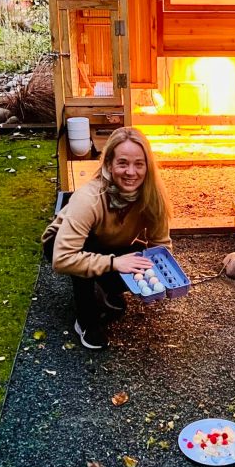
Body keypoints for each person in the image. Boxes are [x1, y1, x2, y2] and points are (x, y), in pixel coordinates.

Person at [42, 126, 172, 350]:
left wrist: (161, 279)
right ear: (109, 164)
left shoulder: (153, 197)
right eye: (123, 163)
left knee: (142, 259)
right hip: (61, 245)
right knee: (86, 253)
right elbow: (62, 259)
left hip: (110, 244)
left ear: (147, 167)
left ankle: (105, 290)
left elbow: (160, 246)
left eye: (138, 164)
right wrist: (114, 263)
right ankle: (86, 320)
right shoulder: (88, 199)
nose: (131, 172)